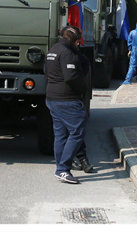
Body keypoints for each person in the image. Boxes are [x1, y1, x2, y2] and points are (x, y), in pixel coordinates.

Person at [45, 25, 92, 184]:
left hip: (52, 98)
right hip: (67, 100)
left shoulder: (53, 50)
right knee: (77, 132)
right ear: (76, 40)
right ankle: (63, 169)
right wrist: (83, 89)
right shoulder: (67, 53)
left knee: (60, 135)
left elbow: (46, 72)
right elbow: (71, 77)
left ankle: (61, 168)